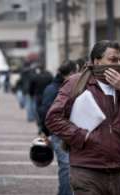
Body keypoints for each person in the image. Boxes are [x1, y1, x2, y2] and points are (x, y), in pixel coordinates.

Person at [45, 40, 120, 195]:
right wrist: (83, 136)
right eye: (112, 59)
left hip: (117, 171)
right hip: (87, 169)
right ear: (96, 61)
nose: (118, 64)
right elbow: (53, 118)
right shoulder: (76, 83)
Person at [38, 60, 77, 195]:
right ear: (71, 73)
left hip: (71, 132)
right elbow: (44, 111)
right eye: (76, 72)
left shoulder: (70, 86)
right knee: (66, 166)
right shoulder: (53, 89)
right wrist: (45, 131)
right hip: (59, 133)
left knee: (69, 167)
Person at [29, 64, 54, 134]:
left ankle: (40, 126)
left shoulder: (36, 76)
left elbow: (31, 86)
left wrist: (31, 94)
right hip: (47, 96)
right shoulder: (49, 76)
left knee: (39, 112)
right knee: (47, 112)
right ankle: (46, 126)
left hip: (38, 96)